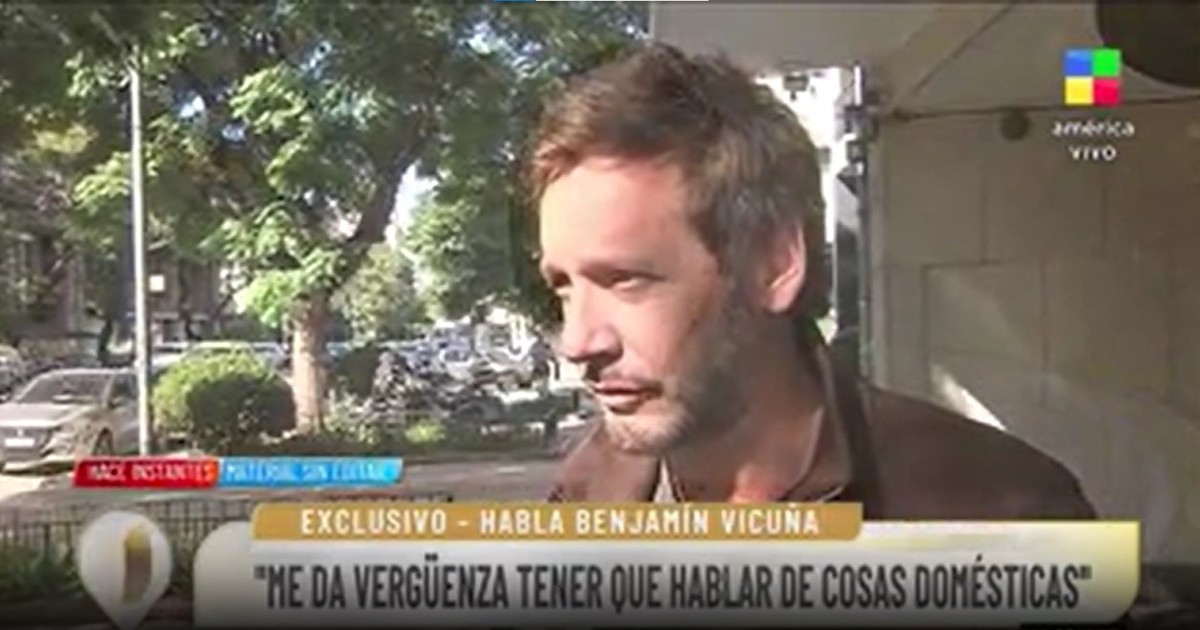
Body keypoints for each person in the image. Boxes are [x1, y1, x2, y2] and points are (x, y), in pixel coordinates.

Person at [528, 43, 1093, 518]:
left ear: (774, 265)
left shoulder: (1002, 509)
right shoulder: (584, 495)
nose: (576, 342)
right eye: (564, 286)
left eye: (625, 280)